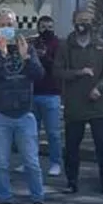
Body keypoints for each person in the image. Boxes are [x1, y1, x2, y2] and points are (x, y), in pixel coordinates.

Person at [0, 9, 51, 204]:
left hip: (24, 113)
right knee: (1, 163)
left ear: (15, 24)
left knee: (32, 163)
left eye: (9, 23)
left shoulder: (25, 46)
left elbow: (39, 75)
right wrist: (2, 57)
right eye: (2, 23)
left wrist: (27, 58)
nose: (6, 27)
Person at [58, 9, 103, 195]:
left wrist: (99, 89)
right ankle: (71, 182)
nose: (83, 23)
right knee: (72, 146)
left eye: (86, 20)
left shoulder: (102, 46)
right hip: (74, 102)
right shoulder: (65, 46)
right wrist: (78, 72)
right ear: (73, 21)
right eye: (79, 20)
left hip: (97, 104)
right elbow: (57, 71)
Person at [31, 14, 64, 179]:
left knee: (53, 133)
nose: (47, 31)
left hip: (52, 93)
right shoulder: (34, 43)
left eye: (50, 27)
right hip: (34, 92)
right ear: (38, 28)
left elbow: (59, 68)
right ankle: (31, 161)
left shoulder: (58, 45)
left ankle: (56, 162)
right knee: (31, 132)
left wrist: (46, 57)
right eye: (43, 27)